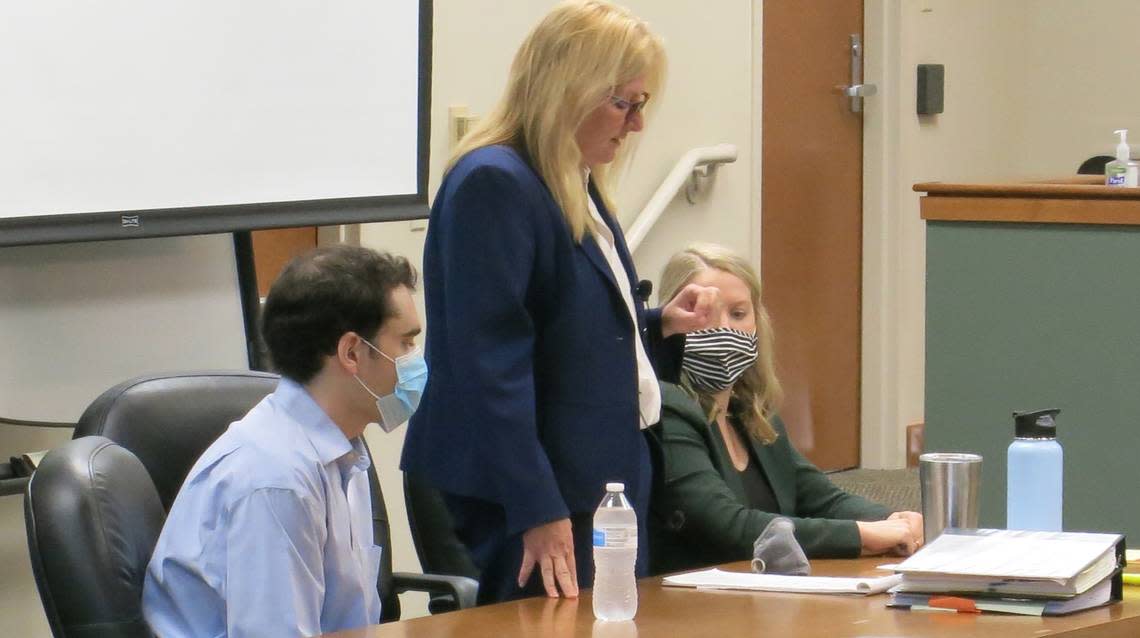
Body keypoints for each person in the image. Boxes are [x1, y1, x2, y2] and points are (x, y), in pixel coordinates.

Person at [400, 0, 716, 604]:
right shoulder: (494, 182)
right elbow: (486, 366)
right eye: (622, 103)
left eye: (640, 105)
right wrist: (536, 508)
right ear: (566, 91)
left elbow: (564, 331)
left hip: (596, 476)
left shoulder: (570, 173)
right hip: (530, 494)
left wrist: (655, 326)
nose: (635, 126)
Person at [143, 245, 426, 637]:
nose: (416, 360)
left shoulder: (343, 451)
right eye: (406, 343)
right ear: (351, 353)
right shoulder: (275, 479)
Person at [648, 243, 923, 575]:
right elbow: (728, 527)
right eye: (705, 314)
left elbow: (822, 498)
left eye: (738, 314)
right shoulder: (666, 407)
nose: (724, 328)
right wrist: (862, 535)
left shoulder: (751, 414)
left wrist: (892, 520)